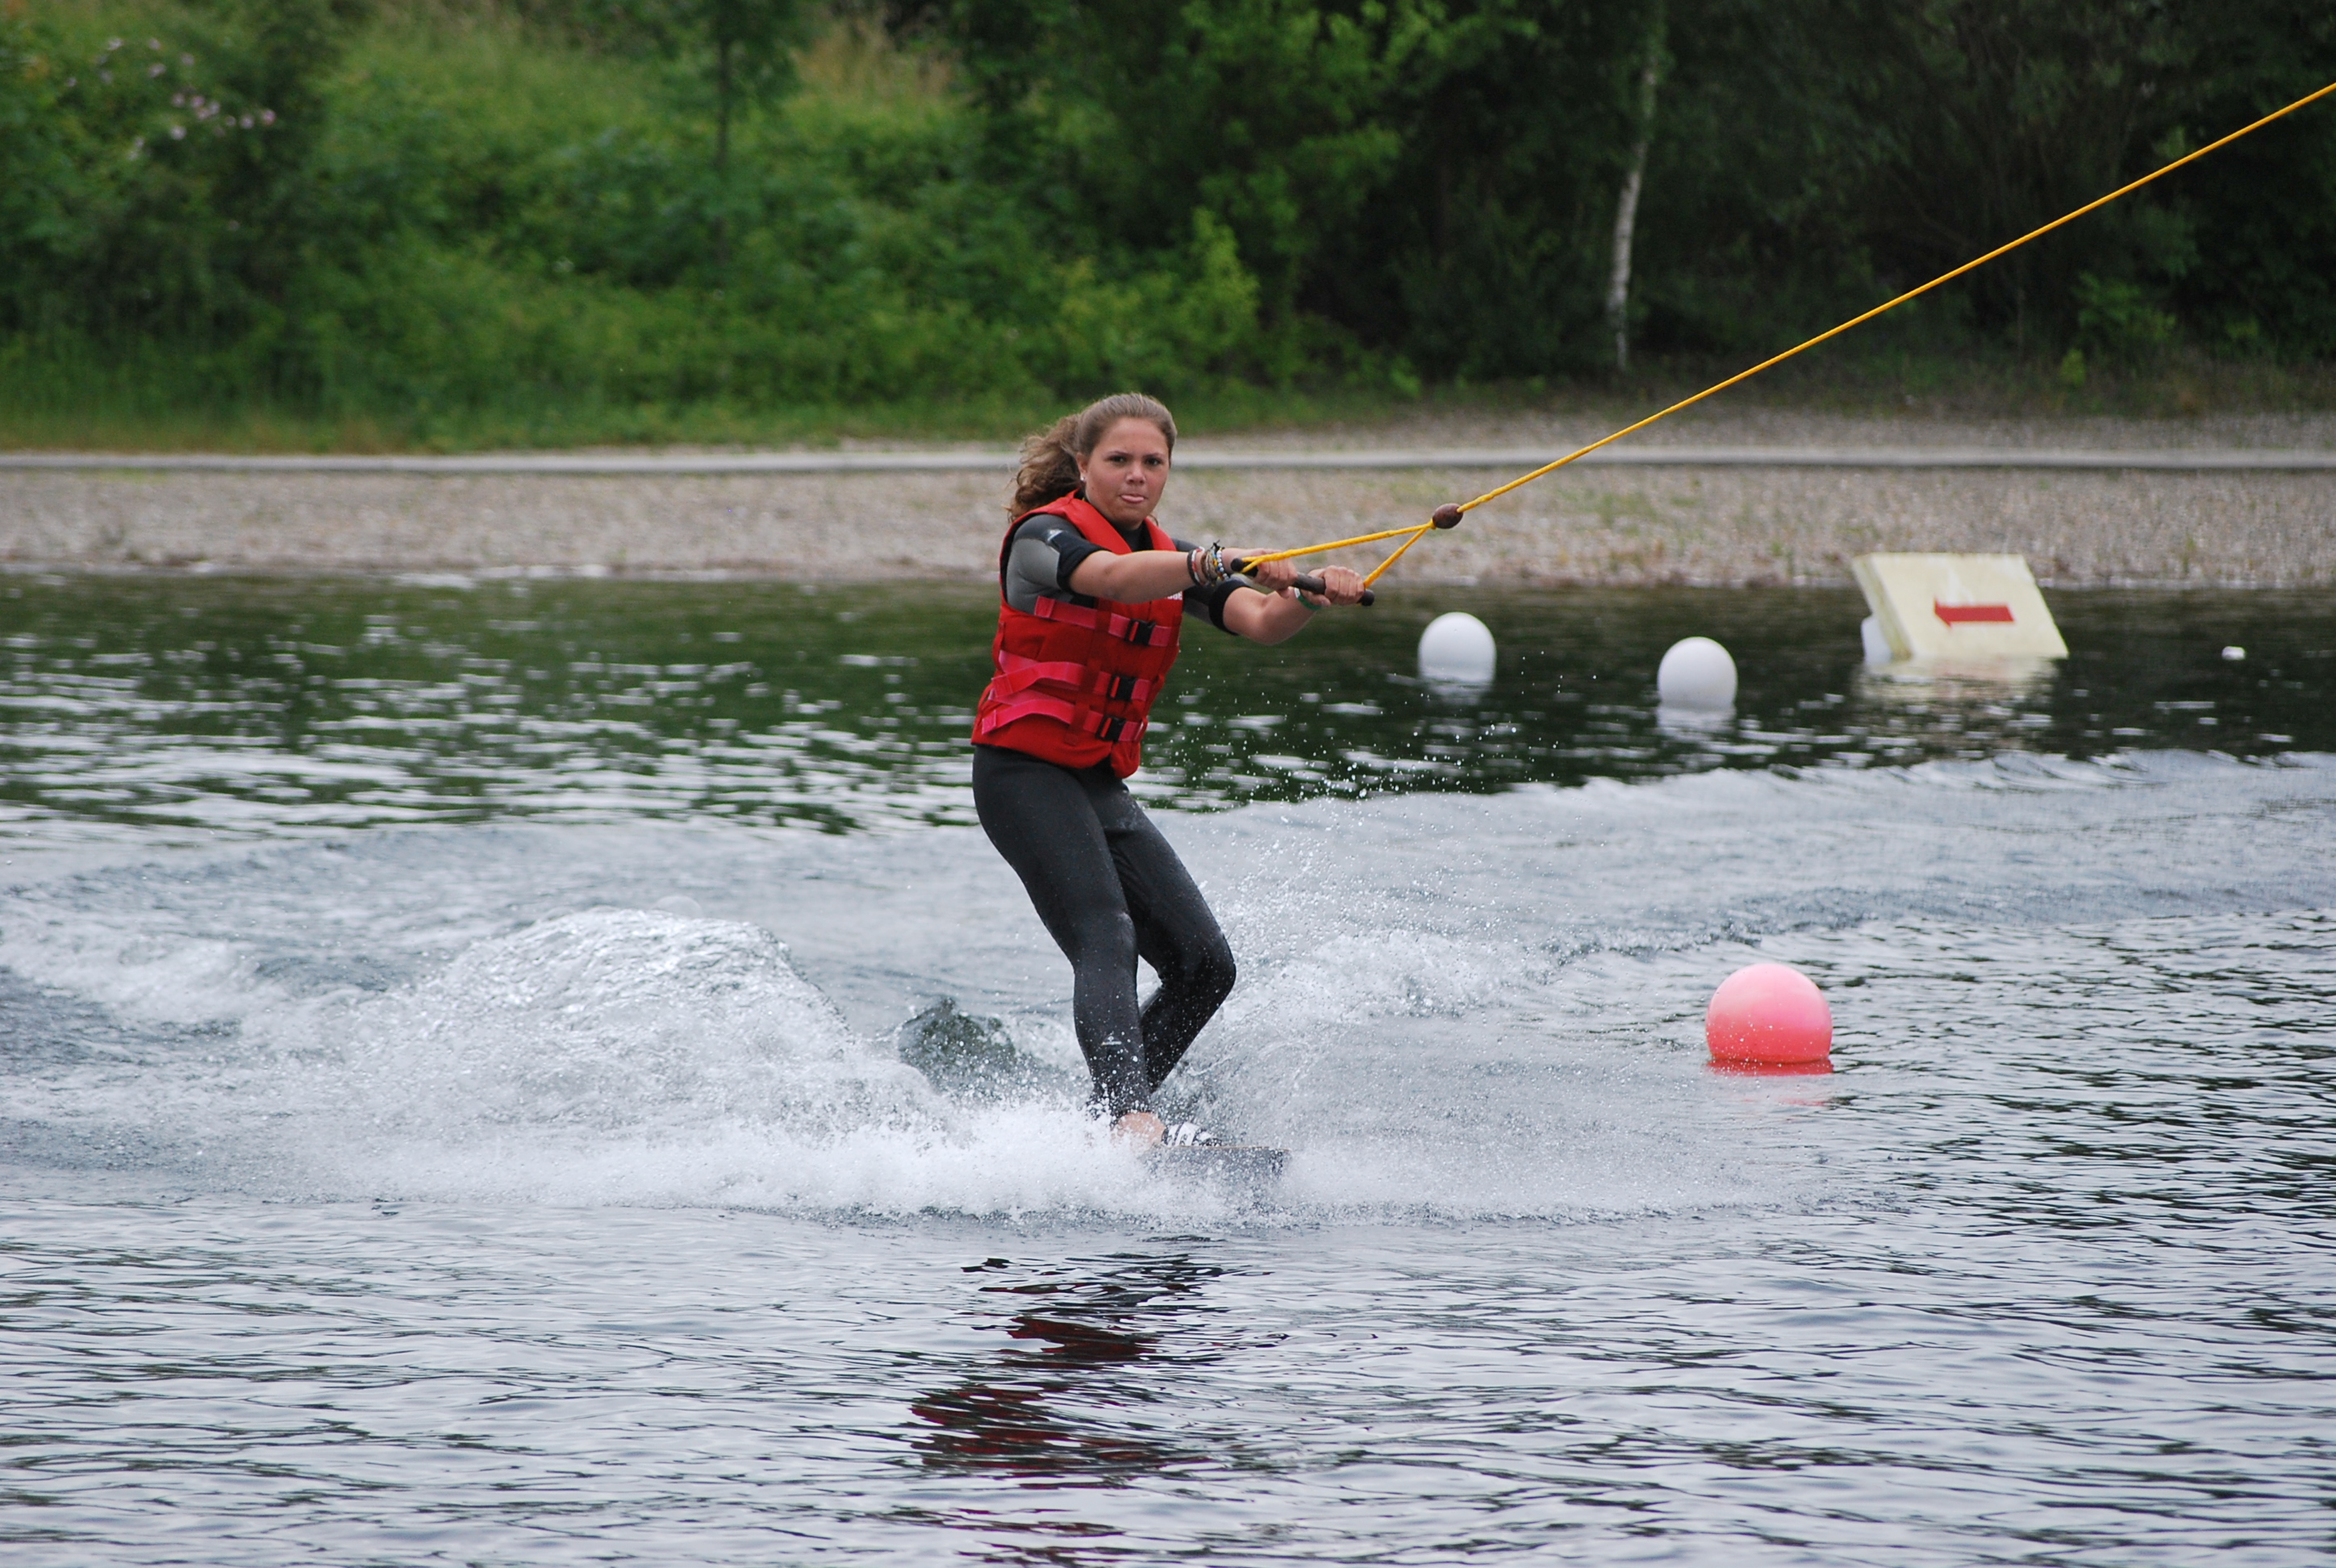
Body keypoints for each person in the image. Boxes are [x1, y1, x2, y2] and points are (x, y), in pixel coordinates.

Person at [970, 393, 1366, 1149]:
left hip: (1094, 781)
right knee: (1106, 930)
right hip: (1020, 773)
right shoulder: (1042, 540)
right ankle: (1128, 1117)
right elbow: (1113, 579)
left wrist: (1311, 593)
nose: (1137, 475)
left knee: (1204, 965)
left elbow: (1260, 621)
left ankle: (1101, 1123)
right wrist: (1211, 561)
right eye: (1119, 460)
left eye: (1153, 462)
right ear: (1082, 464)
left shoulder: (1174, 558)